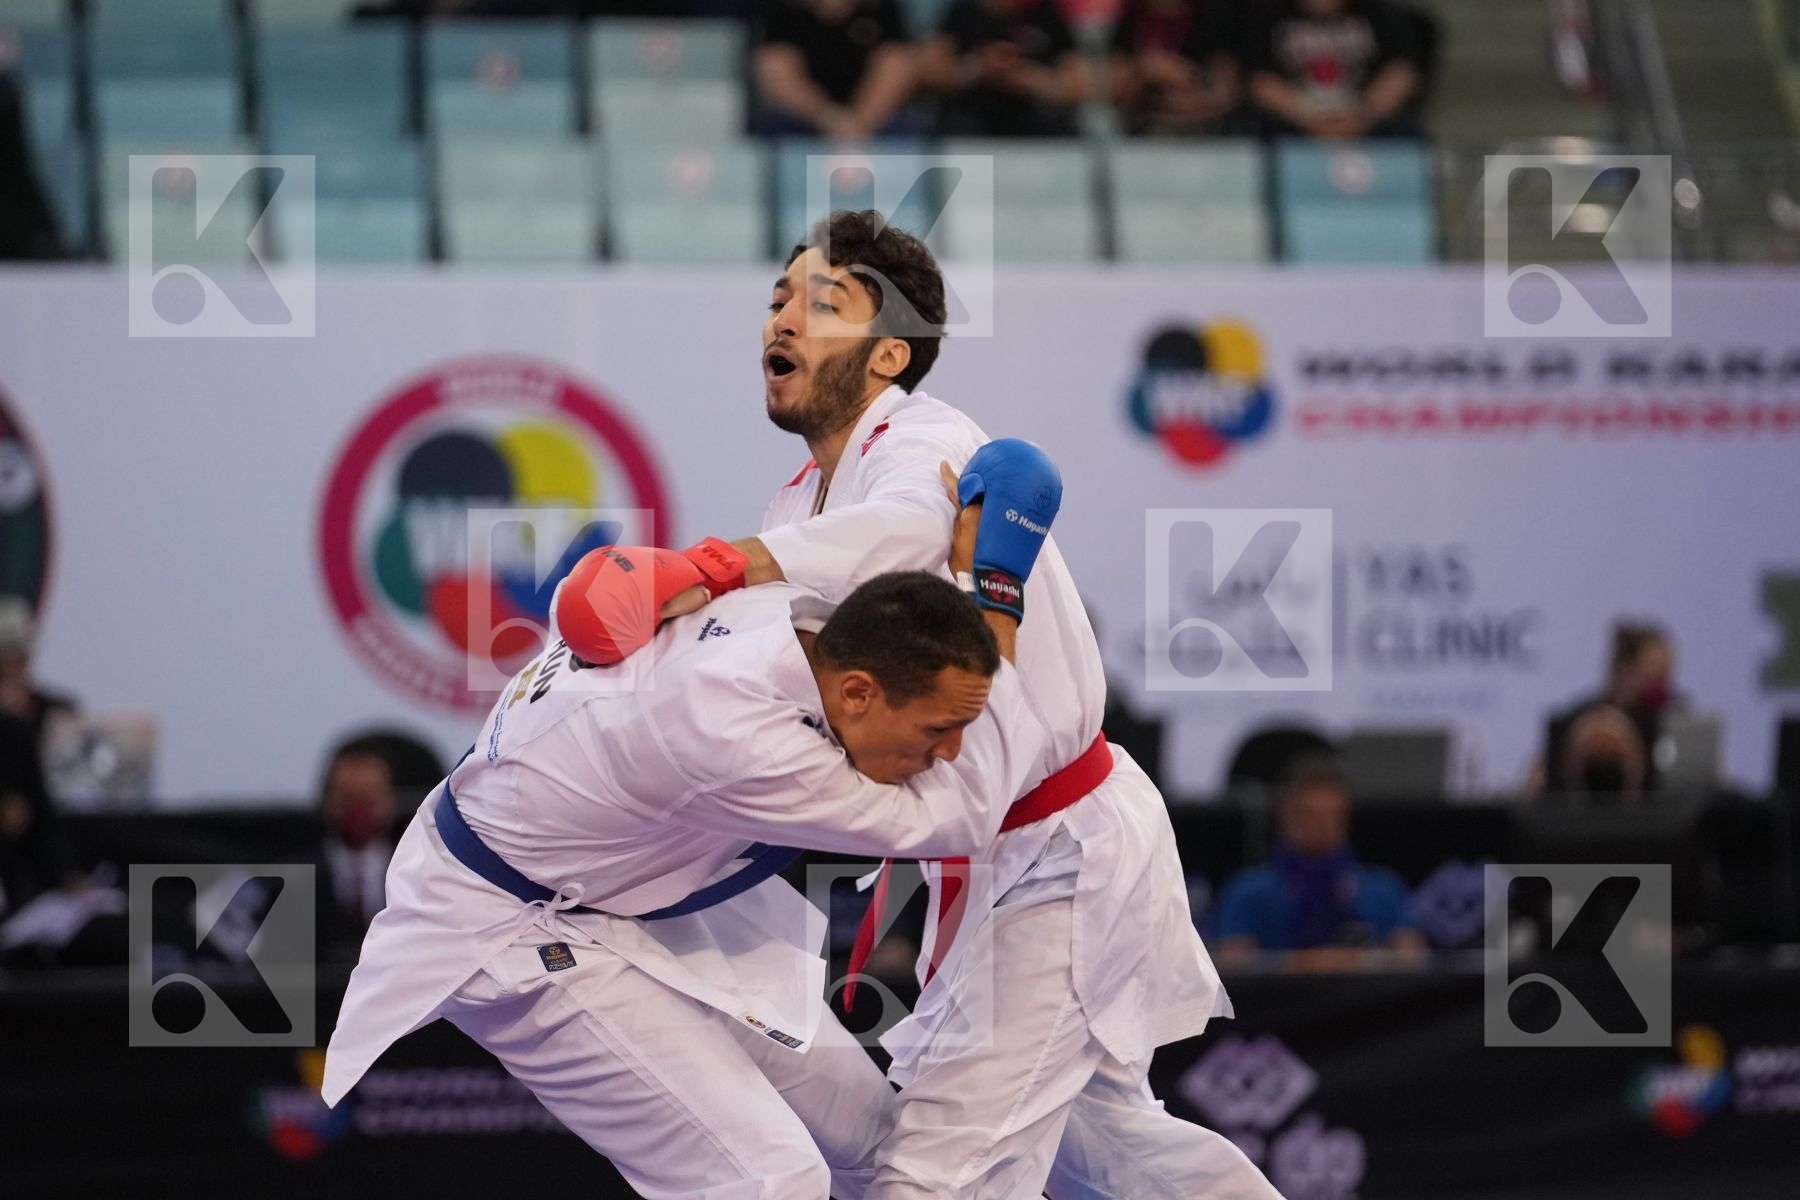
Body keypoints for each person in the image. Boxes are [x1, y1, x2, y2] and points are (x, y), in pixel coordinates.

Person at [592, 210, 1276, 1199]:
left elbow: (919, 526)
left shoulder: (929, 439)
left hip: (1060, 851)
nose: (783, 317)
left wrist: (712, 564)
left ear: (889, 355)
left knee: (934, 1176)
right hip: (989, 861)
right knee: (1118, 1159)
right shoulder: (800, 509)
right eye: (778, 297)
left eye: (823, 302)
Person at [322, 449, 1062, 1199]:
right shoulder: (734, 735)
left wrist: (958, 542)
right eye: (937, 731)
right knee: (768, 1180)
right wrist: (995, 590)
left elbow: (889, 538)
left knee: (878, 1141)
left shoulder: (785, 604)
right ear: (861, 693)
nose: (947, 752)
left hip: (620, 878)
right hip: (511, 927)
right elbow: (964, 811)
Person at [1213, 754, 1426, 968]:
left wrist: (1362, 960)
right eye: (1309, 815)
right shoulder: (1248, 891)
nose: (1322, 826)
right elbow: (1234, 967)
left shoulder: (1381, 888)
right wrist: (1311, 963)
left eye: (1333, 815)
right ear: (1284, 815)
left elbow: (1414, 959)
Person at [1538, 620, 1680, 799]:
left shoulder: (1677, 721)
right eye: (1655, 672)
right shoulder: (1574, 723)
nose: (1662, 683)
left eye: (1666, 674)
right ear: (1624, 669)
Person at [1242, 0, 1424, 140]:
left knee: (1405, 130)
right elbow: (1259, 80)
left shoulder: (1379, 11)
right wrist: (1309, 118)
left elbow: (1401, 71)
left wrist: (1362, 117)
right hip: (1293, 118)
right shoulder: (1268, 12)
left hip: (1365, 117)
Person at [755, 0, 921, 139]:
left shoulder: (881, 8)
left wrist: (859, 124)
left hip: (873, 121)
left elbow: (897, 65)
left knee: (907, 127)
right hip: (804, 119)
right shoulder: (785, 10)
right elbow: (774, 67)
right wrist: (829, 119)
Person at [921, 0, 1088, 137]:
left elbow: (1078, 86)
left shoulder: (1048, 13)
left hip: (1036, 126)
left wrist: (1021, 75)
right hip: (969, 123)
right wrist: (979, 66)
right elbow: (931, 73)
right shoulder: (964, 11)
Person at [313, 737, 403, 960]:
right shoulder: (296, 880)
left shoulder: (415, 875)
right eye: (348, 797)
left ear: (390, 801)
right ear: (327, 800)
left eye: (369, 797)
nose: (359, 810)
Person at [1108, 0, 1243, 136]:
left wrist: (1189, 80)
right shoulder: (1130, 15)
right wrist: (1144, 71)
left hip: (1205, 134)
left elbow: (1227, 92)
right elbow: (1111, 83)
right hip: (1136, 131)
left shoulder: (1214, 17)